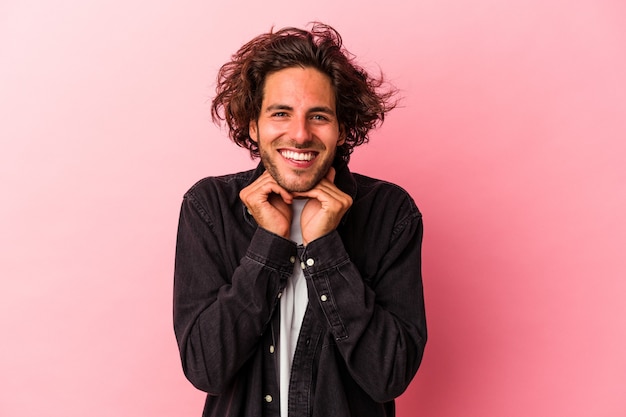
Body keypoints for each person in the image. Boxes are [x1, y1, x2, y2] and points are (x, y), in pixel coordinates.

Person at [173, 22, 427, 417]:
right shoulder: (208, 208)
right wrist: (268, 247)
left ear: (342, 129)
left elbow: (389, 376)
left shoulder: (390, 213)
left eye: (319, 117)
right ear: (253, 125)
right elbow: (206, 368)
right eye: (281, 113)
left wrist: (326, 248)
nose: (300, 134)